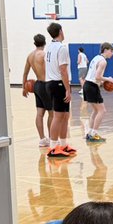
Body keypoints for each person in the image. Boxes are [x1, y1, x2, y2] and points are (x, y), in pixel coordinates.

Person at [44, 21, 76, 158]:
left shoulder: (49, 47)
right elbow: (63, 70)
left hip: (52, 83)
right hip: (58, 84)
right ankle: (52, 147)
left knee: (65, 115)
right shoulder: (61, 48)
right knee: (58, 116)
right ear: (61, 31)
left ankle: (63, 145)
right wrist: (68, 89)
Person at [22, 33, 52, 148]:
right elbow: (49, 70)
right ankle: (51, 138)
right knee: (52, 114)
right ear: (44, 43)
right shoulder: (43, 55)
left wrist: (24, 87)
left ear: (35, 43)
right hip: (46, 85)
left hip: (37, 86)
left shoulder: (30, 56)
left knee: (39, 114)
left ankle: (42, 139)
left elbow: (25, 73)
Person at [82, 42, 113, 142]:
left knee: (96, 110)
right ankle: (93, 133)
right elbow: (97, 77)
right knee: (102, 110)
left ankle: (90, 133)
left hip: (87, 85)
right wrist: (108, 79)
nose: (112, 53)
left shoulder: (96, 58)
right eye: (111, 51)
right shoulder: (103, 61)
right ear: (106, 50)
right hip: (91, 86)